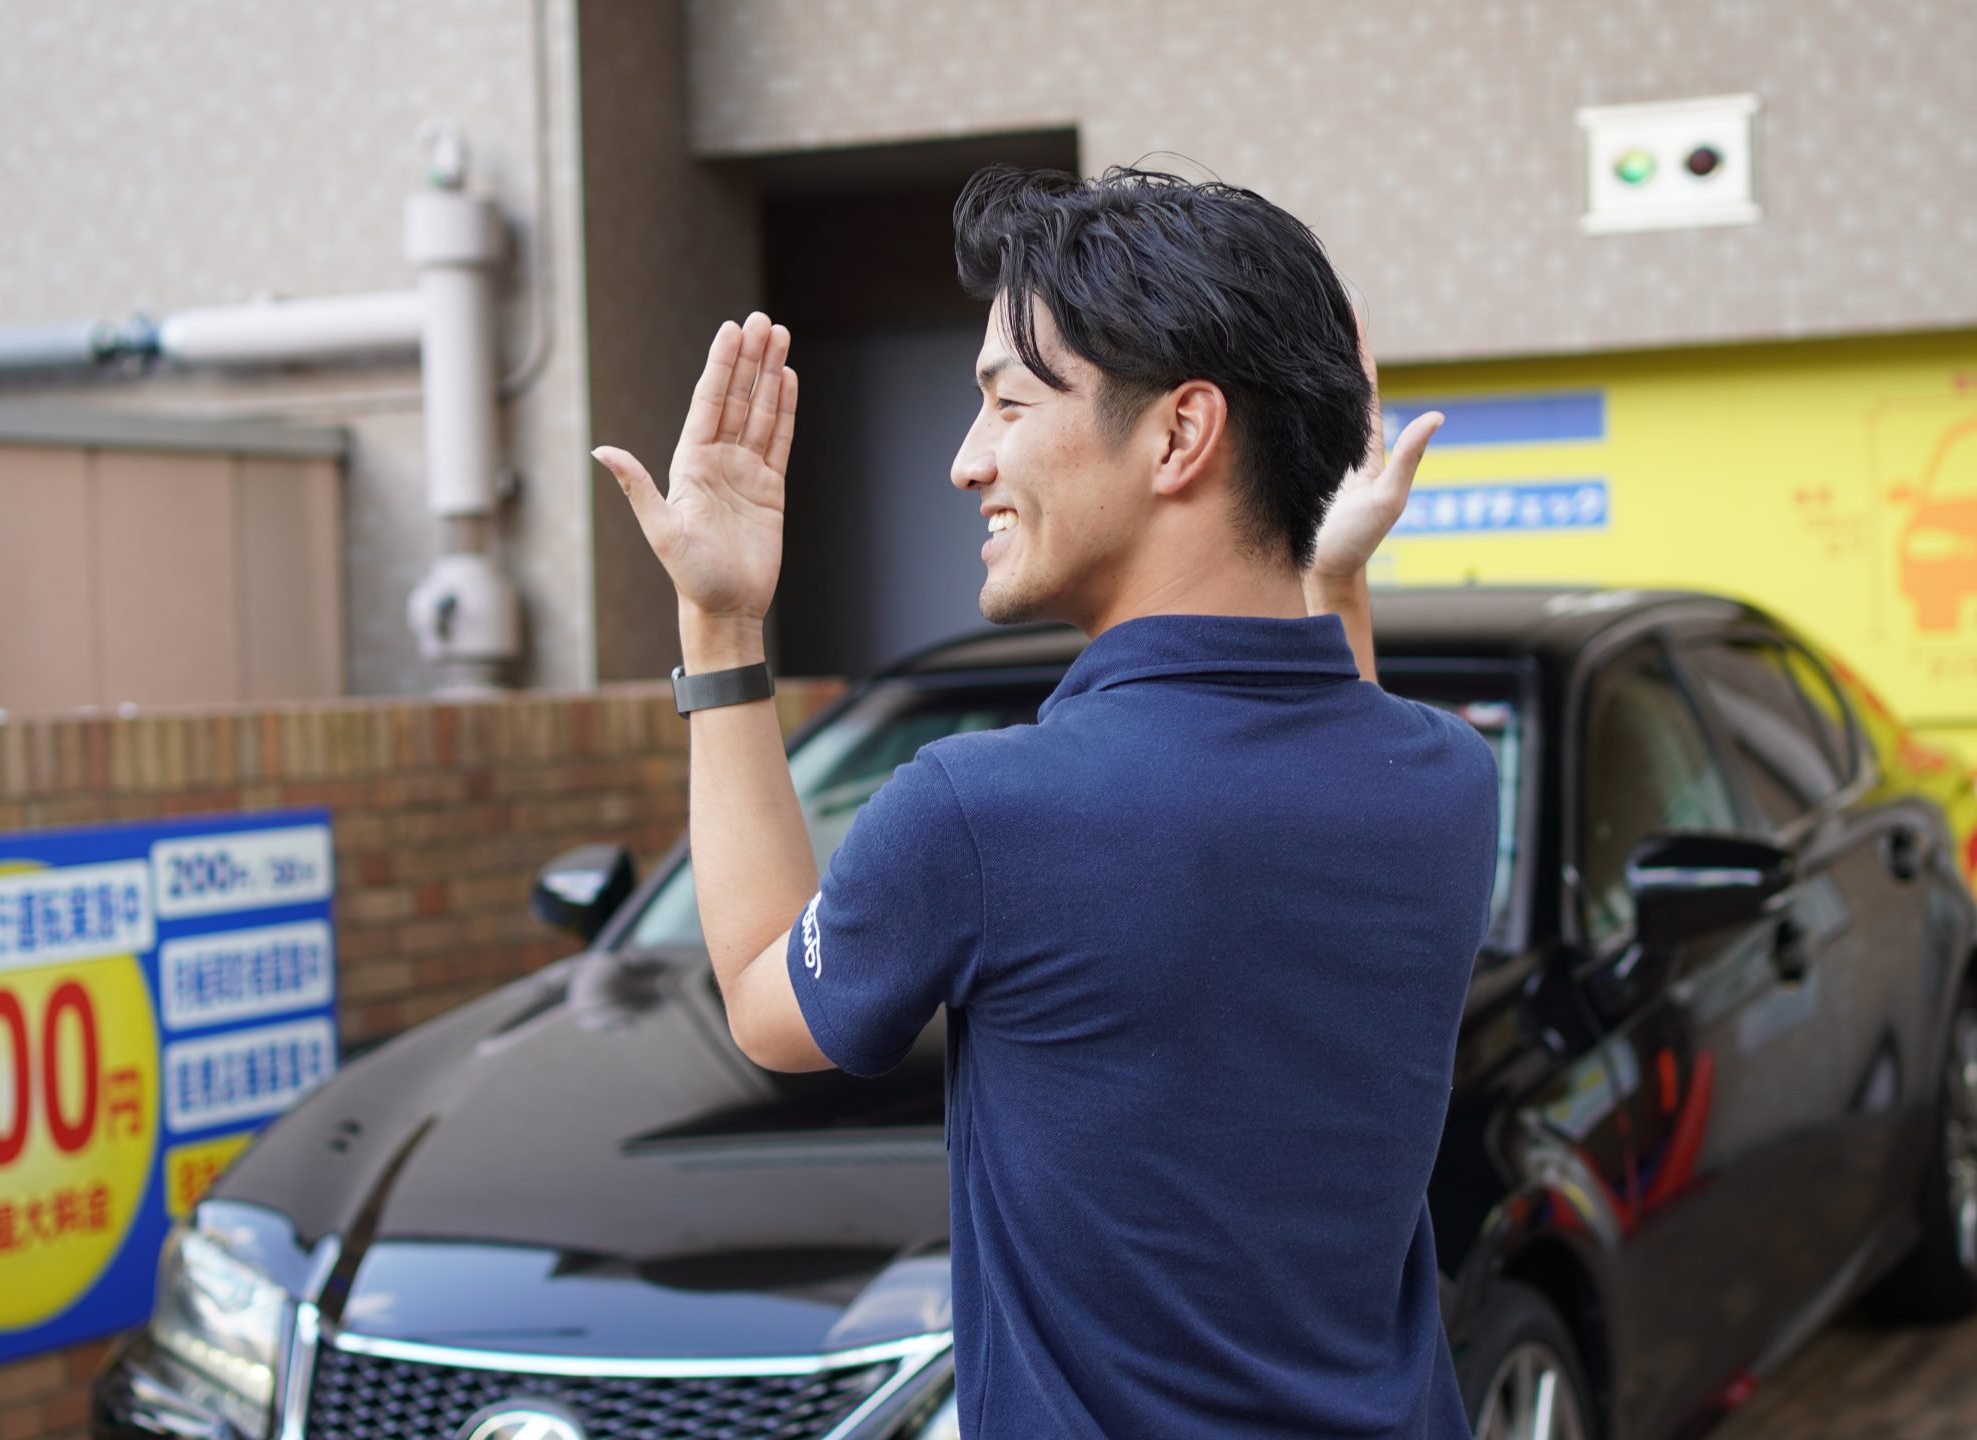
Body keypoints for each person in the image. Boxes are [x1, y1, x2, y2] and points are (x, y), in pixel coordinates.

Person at [593, 165, 1497, 1440]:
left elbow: (761, 997)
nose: (968, 463)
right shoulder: (1448, 784)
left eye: (1008, 403)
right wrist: (1328, 574)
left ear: (1180, 435)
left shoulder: (985, 814)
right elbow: (1322, 755)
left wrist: (723, 618)